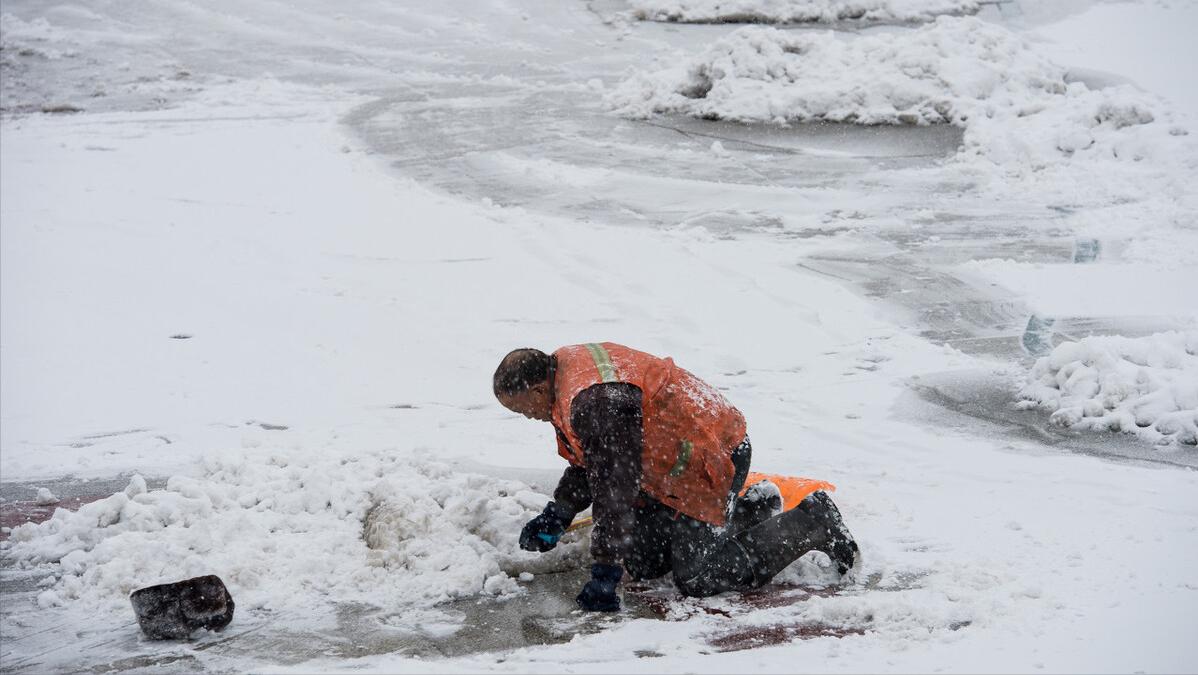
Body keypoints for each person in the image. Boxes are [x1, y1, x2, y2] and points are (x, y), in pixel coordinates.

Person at [493, 342, 858, 612]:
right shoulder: (565, 375)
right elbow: (593, 460)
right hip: (671, 464)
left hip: (709, 459)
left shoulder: (597, 402)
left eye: (520, 409)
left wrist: (604, 572)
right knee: (645, 562)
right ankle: (752, 508)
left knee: (697, 578)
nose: (527, 417)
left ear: (537, 389)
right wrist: (560, 511)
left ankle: (812, 522)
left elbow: (615, 489)